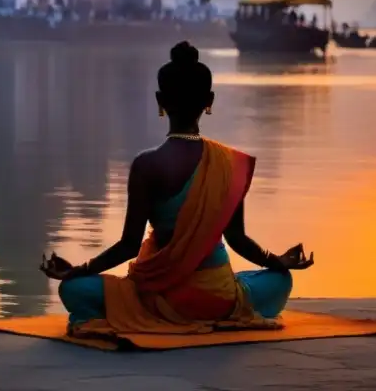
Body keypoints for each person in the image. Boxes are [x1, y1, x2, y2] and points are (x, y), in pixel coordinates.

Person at [40, 41, 313, 339]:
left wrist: (79, 270)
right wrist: (277, 261)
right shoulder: (228, 164)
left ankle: (148, 308)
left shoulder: (147, 165)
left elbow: (129, 246)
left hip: (157, 296)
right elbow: (238, 239)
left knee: (74, 290)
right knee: (278, 280)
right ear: (209, 100)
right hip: (216, 299)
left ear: (160, 100)